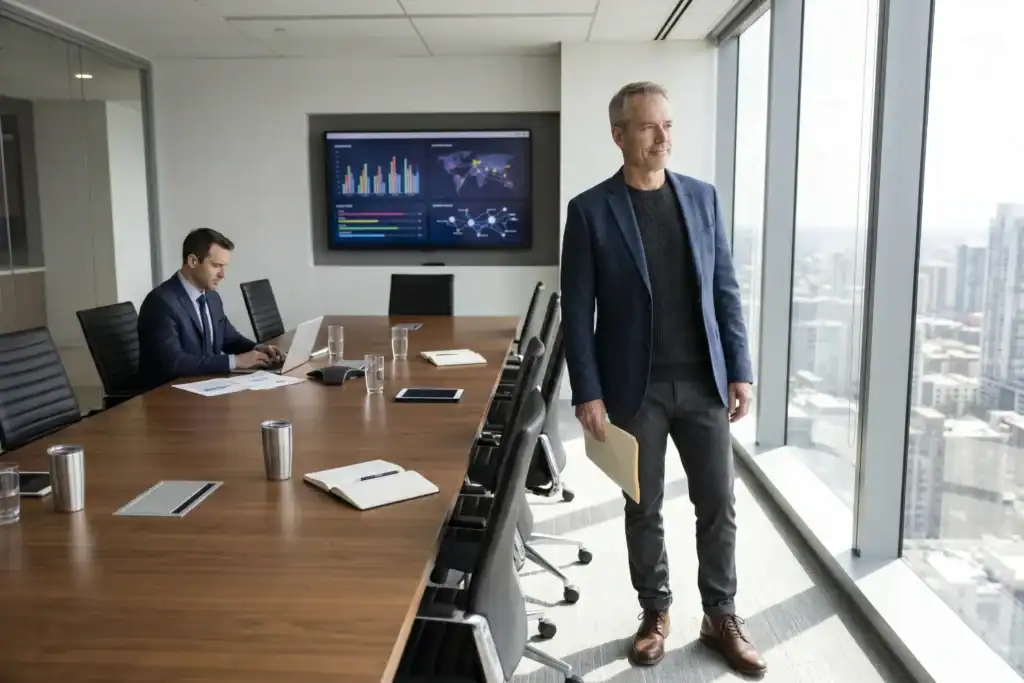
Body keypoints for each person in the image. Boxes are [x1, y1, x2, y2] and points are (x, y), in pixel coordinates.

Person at [560, 81, 765, 675]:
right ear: (619, 134)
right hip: (634, 388)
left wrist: (740, 370)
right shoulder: (590, 210)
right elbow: (578, 310)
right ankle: (655, 613)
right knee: (642, 506)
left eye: (667, 125)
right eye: (649, 127)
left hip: (703, 382)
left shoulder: (701, 199)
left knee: (717, 504)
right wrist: (588, 392)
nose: (662, 137)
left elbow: (724, 289)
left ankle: (720, 613)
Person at [137, 228, 281, 389]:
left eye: (224, 267)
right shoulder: (160, 303)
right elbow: (173, 363)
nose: (222, 275)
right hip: (167, 397)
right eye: (216, 266)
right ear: (193, 261)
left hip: (205, 387)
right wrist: (236, 361)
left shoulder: (211, 297)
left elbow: (229, 338)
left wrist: (257, 349)